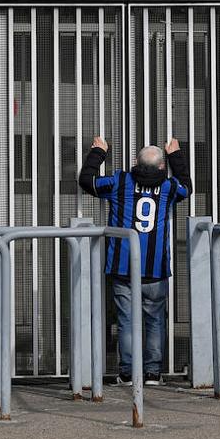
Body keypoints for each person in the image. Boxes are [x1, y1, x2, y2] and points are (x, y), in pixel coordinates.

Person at [78, 135, 191, 386]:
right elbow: (187, 185)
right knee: (154, 320)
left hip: (123, 265)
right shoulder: (170, 188)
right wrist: (175, 155)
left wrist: (99, 151)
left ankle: (128, 373)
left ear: (136, 164)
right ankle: (152, 373)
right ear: (162, 167)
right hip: (155, 268)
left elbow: (87, 181)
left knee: (126, 320)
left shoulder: (120, 181)